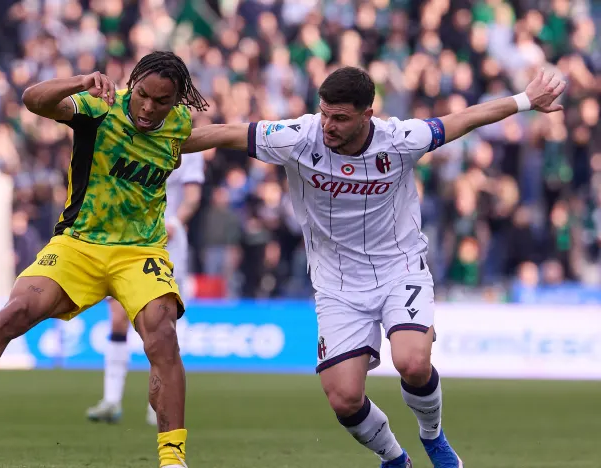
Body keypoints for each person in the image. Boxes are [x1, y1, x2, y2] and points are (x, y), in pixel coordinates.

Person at [182, 66, 565, 468]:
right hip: (336, 284)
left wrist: (524, 101)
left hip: (399, 269)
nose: (328, 125)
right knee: (344, 399)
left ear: (367, 115)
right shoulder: (297, 137)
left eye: (340, 118)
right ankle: (395, 458)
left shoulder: (401, 139)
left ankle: (433, 438)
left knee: (413, 363)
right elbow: (225, 133)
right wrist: (157, 141)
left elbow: (463, 119)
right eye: (324, 113)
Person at [0, 51, 208, 468]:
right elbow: (33, 100)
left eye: (162, 101)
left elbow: (226, 135)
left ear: (176, 100)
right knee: (16, 311)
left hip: (140, 251)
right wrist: (80, 81)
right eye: (144, 95)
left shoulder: (179, 126)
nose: (149, 107)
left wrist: (288, 134)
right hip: (78, 243)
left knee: (162, 336)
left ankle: (172, 461)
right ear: (132, 85)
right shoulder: (100, 106)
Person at [86, 150, 205, 426]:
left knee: (162, 322)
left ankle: (159, 401)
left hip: (167, 237)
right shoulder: (134, 134)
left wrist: (174, 222)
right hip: (129, 234)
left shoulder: (189, 145)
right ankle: (112, 400)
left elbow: (192, 198)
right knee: (117, 317)